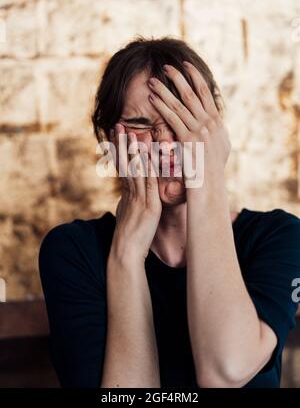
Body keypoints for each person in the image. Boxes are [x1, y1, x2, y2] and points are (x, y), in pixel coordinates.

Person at [39, 36, 300, 388]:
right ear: (108, 138)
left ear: (212, 130)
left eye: (183, 120)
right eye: (141, 125)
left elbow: (225, 372)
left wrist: (207, 179)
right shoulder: (72, 250)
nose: (165, 143)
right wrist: (127, 254)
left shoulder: (279, 237)